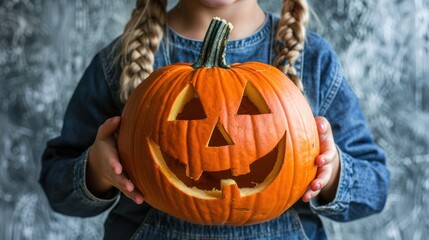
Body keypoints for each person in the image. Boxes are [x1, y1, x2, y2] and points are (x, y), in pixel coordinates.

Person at [39, 0, 390, 239]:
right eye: (189, 113)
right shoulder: (119, 60)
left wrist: (333, 174)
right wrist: (97, 172)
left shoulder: (314, 60)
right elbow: (57, 185)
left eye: (251, 110)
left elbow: (374, 187)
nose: (220, 143)